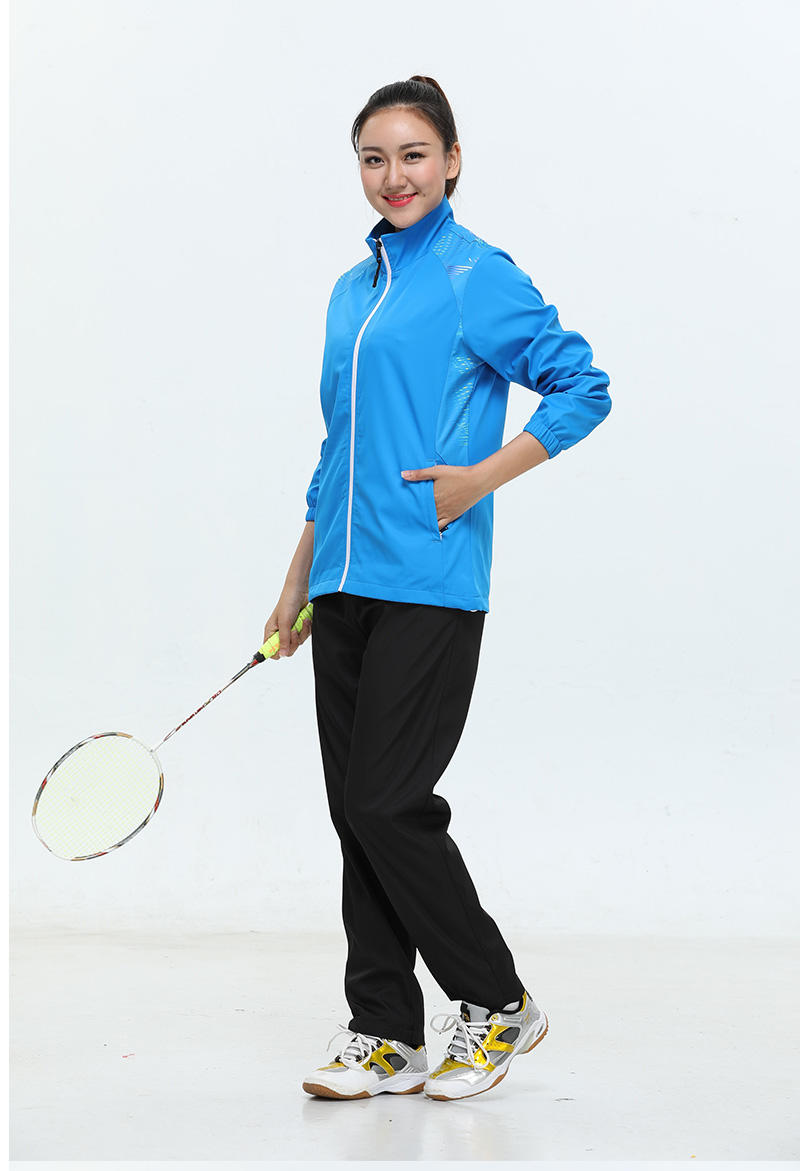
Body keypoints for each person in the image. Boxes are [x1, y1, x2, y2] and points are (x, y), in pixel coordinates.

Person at [262, 75, 611, 1102]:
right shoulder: (350, 290)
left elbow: (582, 384)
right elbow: (340, 448)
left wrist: (480, 477)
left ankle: (496, 1001)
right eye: (373, 158)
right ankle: (384, 1029)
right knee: (355, 811)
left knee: (387, 800)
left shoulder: (473, 274)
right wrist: (297, 578)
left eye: (413, 154)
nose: (393, 176)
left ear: (452, 161)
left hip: (429, 577)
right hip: (344, 582)